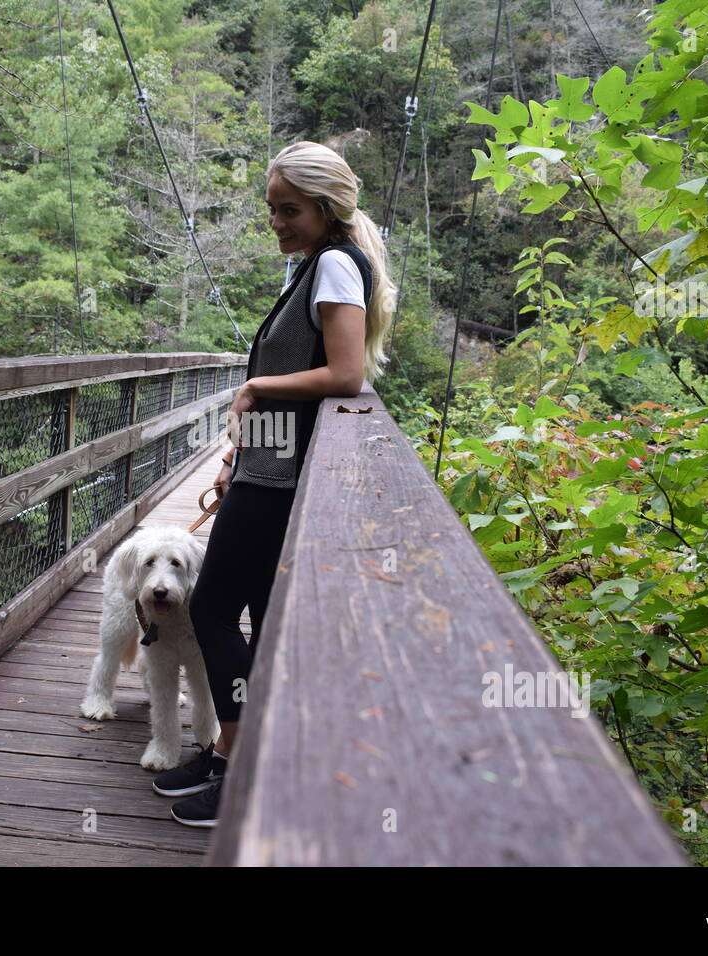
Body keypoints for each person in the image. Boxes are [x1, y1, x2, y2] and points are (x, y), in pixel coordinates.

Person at [152, 140, 397, 827]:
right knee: (252, 621)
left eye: (289, 210)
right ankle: (231, 756)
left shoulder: (337, 267)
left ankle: (243, 763)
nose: (277, 221)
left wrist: (255, 382)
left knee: (211, 608)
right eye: (272, 208)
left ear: (325, 207)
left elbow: (346, 375)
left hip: (286, 481)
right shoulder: (311, 265)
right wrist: (236, 459)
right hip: (268, 467)